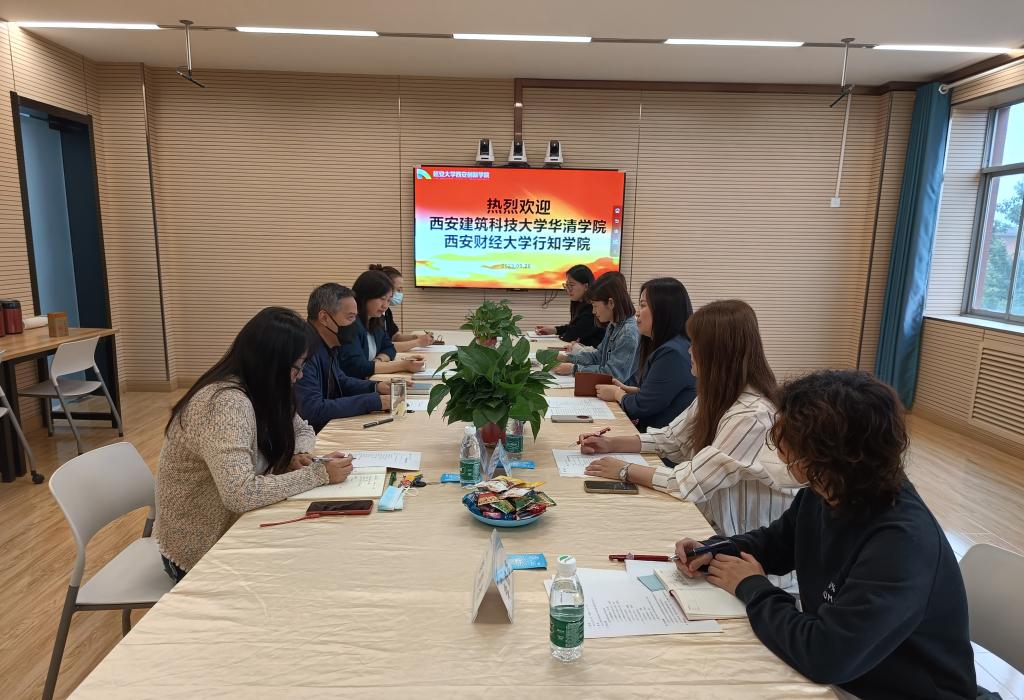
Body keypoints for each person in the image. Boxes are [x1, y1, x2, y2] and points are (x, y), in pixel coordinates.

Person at [673, 370, 978, 700]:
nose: (780, 452)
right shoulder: (831, 490)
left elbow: (825, 656)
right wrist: (716, 550)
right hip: (848, 676)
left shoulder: (903, 543)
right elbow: (777, 543)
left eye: (788, 443)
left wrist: (752, 586)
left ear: (829, 456)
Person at [580, 299, 801, 587]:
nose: (689, 350)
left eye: (695, 344)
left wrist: (624, 469)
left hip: (755, 563)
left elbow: (689, 482)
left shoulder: (752, 414)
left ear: (717, 353)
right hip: (717, 539)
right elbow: (670, 439)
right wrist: (611, 443)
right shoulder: (718, 395)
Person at [156, 307, 354, 581]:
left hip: (237, 522)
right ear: (272, 363)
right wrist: (318, 474)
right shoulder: (226, 404)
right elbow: (240, 493)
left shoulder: (263, 389)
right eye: (297, 366)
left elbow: (302, 428)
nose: (299, 375)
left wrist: (299, 453)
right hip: (202, 547)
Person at [594, 277, 695, 431]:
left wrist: (617, 393)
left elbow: (642, 406)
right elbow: (659, 395)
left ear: (663, 310)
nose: (637, 313)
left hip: (660, 439)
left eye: (642, 305)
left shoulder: (672, 353)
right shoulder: (673, 345)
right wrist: (628, 390)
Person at [296, 283, 398, 433]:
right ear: (324, 317)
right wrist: (373, 401)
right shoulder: (303, 352)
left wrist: (375, 387)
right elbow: (313, 411)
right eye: (350, 317)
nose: (355, 325)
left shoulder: (327, 344)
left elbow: (340, 381)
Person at [338, 270, 425, 380]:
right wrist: (403, 365)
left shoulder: (375, 321)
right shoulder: (350, 324)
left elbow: (389, 348)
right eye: (382, 299)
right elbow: (357, 367)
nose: (385, 306)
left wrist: (379, 360)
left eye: (388, 300)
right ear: (366, 296)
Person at [553, 273, 639, 382]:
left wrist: (574, 369)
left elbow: (613, 374)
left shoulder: (628, 333)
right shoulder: (613, 325)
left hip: (620, 390)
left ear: (611, 303)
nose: (593, 311)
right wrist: (566, 358)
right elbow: (598, 357)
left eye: (595, 306)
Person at [369, 264, 436, 352]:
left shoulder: (386, 311)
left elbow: (394, 337)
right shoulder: (373, 314)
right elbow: (382, 346)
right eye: (398, 290)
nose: (400, 293)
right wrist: (418, 342)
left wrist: (417, 337)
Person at [535, 264, 605, 348]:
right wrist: (554, 330)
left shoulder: (592, 306)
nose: (568, 289)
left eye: (571, 285)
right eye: (566, 285)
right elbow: (574, 327)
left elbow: (571, 335)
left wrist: (562, 334)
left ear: (586, 286)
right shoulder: (577, 302)